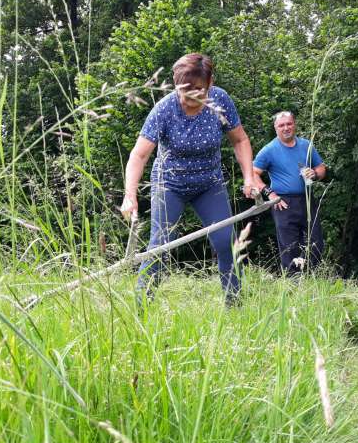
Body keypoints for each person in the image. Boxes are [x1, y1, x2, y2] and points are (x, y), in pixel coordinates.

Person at [120, 53, 261, 304]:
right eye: (184, 90)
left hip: (209, 184)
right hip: (170, 184)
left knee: (225, 240)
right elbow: (139, 155)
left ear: (210, 83)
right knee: (160, 245)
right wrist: (130, 195)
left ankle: (235, 305)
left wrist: (249, 177)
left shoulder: (220, 100)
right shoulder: (164, 109)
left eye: (198, 89)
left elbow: (240, 140)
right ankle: (140, 307)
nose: (191, 96)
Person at [253, 111, 327, 275]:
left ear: (294, 124)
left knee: (316, 243)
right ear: (275, 128)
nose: (286, 128)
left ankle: (311, 279)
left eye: (289, 124)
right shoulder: (269, 150)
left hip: (307, 200)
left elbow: (322, 168)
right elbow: (253, 174)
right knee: (289, 246)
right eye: (281, 125)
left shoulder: (306, 145)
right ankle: (293, 284)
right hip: (282, 203)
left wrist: (314, 173)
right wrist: (270, 194)